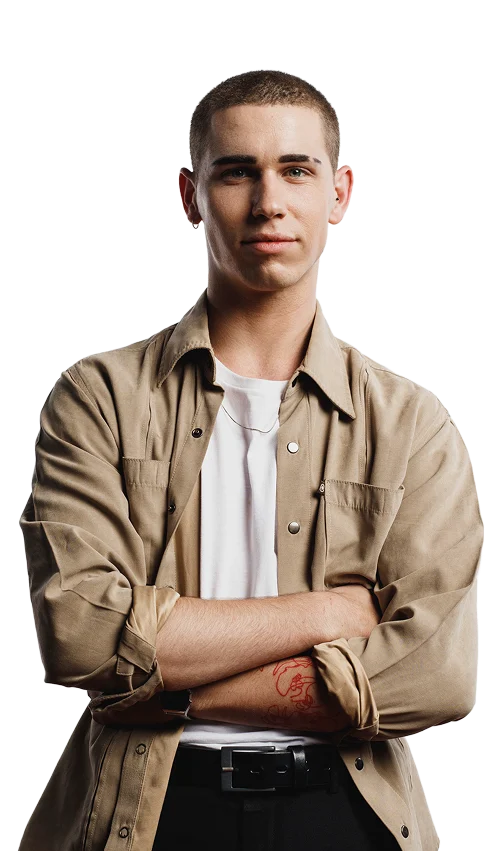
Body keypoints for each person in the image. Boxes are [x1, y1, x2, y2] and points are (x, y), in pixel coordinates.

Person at [18, 70, 483, 851]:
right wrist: (329, 614)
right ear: (190, 194)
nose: (269, 201)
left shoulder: (411, 424)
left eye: (296, 170)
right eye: (237, 171)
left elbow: (434, 673)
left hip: (344, 810)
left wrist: (167, 689)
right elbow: (82, 636)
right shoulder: (97, 398)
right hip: (148, 811)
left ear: (339, 194)